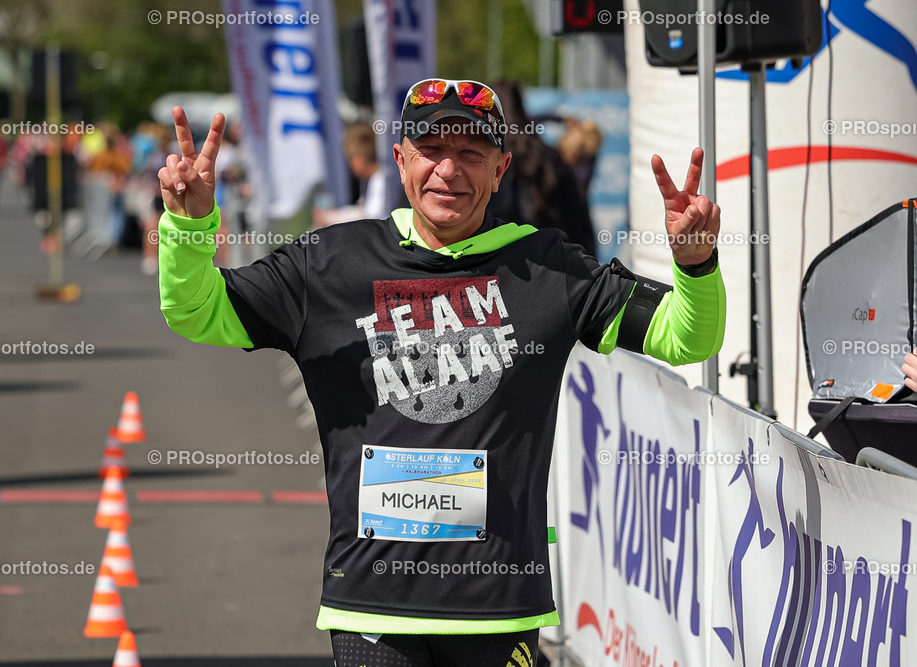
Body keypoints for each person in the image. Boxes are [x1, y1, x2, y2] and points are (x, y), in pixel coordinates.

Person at [156, 78, 725, 665]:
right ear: (401, 161)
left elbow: (686, 339)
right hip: (372, 607)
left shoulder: (548, 266)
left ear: (500, 169)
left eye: (471, 154)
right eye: (431, 150)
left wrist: (697, 263)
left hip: (499, 608)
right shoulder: (329, 264)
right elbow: (197, 312)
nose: (449, 170)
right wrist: (188, 228)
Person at [484, 80, 596, 255]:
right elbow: (579, 222)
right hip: (553, 260)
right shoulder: (550, 157)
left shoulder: (484, 162)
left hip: (501, 263)